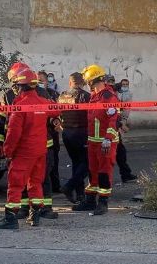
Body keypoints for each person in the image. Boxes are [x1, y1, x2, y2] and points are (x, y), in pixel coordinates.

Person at [0, 62, 61, 220]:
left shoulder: (20, 105)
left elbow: (13, 132)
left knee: (16, 184)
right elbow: (55, 110)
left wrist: (8, 151)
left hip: (23, 150)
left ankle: (10, 218)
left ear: (18, 83)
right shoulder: (41, 99)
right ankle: (34, 215)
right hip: (40, 149)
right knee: (36, 182)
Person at [72, 64, 120, 215]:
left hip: (106, 142)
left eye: (88, 81)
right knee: (93, 171)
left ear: (92, 81)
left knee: (104, 172)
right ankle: (90, 200)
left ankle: (103, 202)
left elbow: (114, 120)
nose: (87, 84)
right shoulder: (94, 97)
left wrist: (108, 138)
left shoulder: (108, 96)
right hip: (93, 141)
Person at [58, 72, 91, 204]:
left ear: (70, 82)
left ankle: (80, 195)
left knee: (76, 163)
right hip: (81, 132)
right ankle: (69, 187)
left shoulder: (62, 96)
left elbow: (59, 113)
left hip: (66, 133)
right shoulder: (86, 96)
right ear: (82, 82)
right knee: (87, 163)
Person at [38, 70, 61, 194]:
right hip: (41, 132)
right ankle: (45, 187)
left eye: (41, 81)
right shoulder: (35, 95)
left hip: (52, 132)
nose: (39, 83)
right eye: (37, 81)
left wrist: (57, 120)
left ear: (47, 81)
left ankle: (56, 186)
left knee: (53, 160)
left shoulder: (53, 94)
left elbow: (59, 111)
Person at [115, 78, 137, 183]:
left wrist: (123, 122)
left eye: (126, 84)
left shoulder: (129, 94)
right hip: (114, 127)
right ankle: (125, 174)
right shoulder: (114, 94)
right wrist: (121, 124)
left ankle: (126, 174)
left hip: (120, 122)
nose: (124, 86)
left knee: (120, 153)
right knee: (119, 153)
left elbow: (126, 109)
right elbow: (113, 113)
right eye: (122, 84)